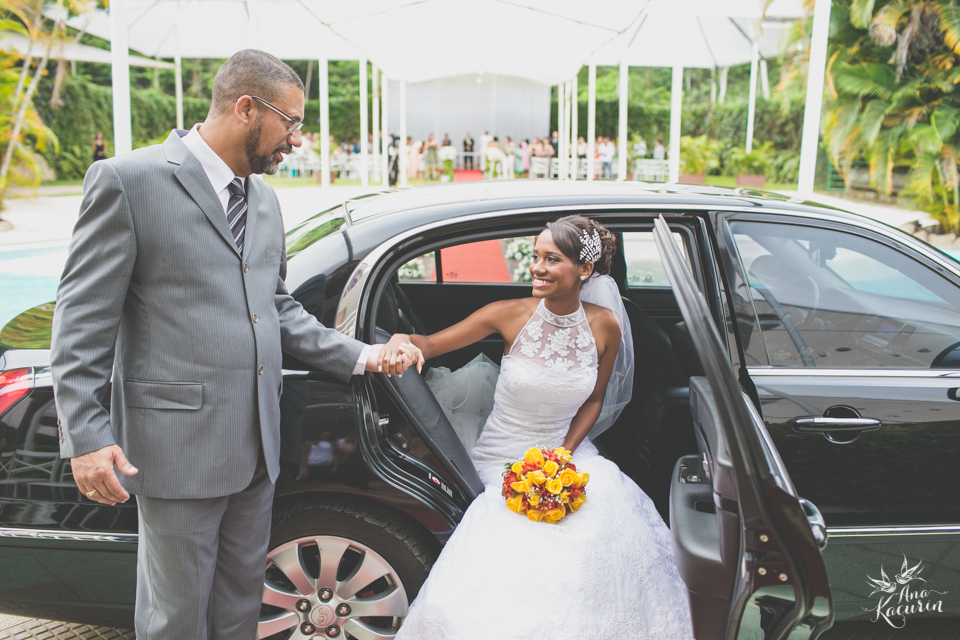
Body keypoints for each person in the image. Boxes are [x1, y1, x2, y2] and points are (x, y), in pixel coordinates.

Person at [50, 49, 422, 640]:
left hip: (256, 447)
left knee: (237, 610)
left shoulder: (267, 200)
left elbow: (274, 308)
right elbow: (81, 321)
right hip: (173, 450)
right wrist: (88, 438)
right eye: (290, 122)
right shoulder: (129, 181)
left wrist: (362, 355)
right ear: (246, 108)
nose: (296, 139)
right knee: (175, 618)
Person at [386, 215, 693, 639]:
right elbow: (430, 344)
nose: (536, 267)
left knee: (603, 521)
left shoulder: (606, 324)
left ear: (583, 270)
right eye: (535, 256)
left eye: (552, 259)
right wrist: (397, 343)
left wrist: (564, 452)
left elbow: (595, 399)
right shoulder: (508, 314)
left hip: (565, 452)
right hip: (503, 458)